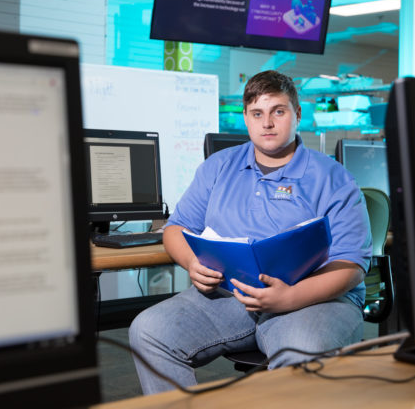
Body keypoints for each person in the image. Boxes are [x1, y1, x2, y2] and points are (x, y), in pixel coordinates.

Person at [129, 70, 372, 394]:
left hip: (314, 298)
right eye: (257, 113)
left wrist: (290, 297)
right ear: (246, 118)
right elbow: (176, 228)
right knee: (148, 330)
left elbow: (351, 265)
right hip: (232, 294)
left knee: (300, 346)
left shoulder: (334, 177)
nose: (267, 123)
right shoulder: (219, 166)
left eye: (278, 112)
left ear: (297, 114)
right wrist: (191, 263)